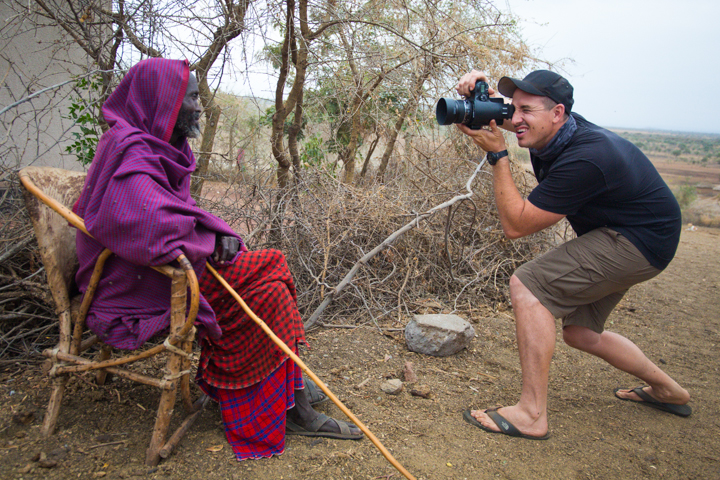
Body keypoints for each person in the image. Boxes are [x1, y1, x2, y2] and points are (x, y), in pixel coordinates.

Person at [73, 58, 362, 460]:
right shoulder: (128, 148)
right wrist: (210, 239)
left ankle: (291, 393)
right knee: (272, 278)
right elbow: (144, 223)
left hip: (179, 264)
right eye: (190, 96)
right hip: (140, 277)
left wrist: (217, 234)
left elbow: (179, 212)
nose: (198, 106)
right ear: (162, 100)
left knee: (272, 285)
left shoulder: (162, 146)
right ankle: (291, 402)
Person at [455, 69, 691, 440]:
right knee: (581, 333)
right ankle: (668, 390)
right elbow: (510, 114)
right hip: (648, 236)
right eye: (512, 109)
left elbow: (516, 226)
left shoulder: (587, 157)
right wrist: (472, 94)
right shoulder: (548, 125)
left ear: (558, 112)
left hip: (636, 240)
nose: (514, 119)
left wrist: (497, 155)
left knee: (529, 287)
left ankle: (531, 414)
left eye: (525, 110)